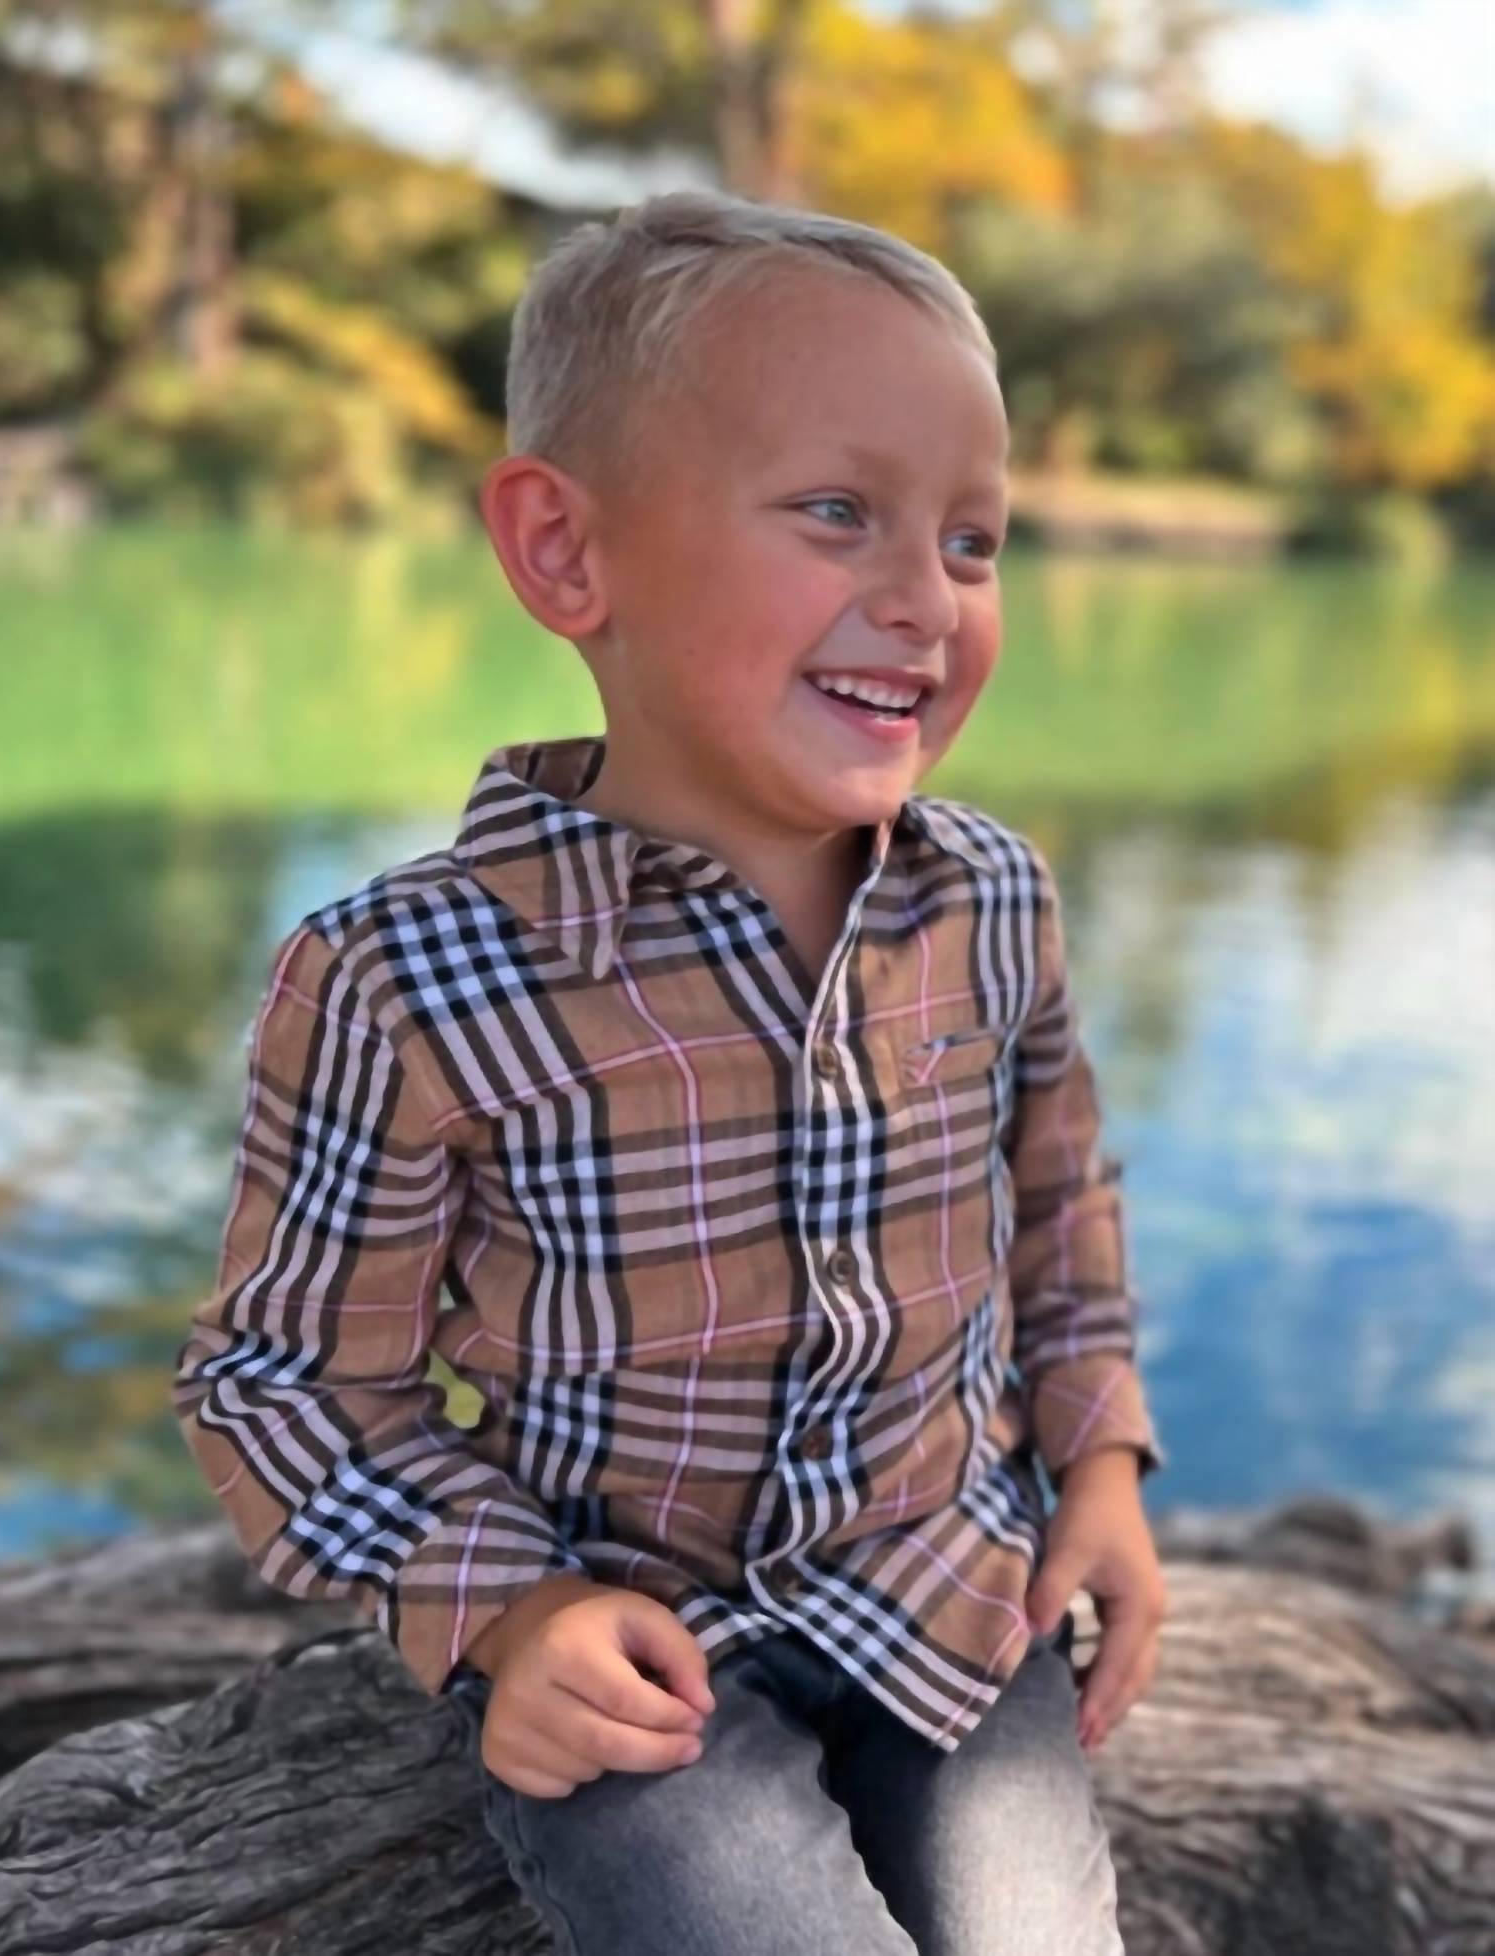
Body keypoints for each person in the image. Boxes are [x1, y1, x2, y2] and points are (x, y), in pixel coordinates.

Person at [172, 189, 1169, 1956]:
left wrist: (1098, 1468)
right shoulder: (406, 977)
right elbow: (287, 1381)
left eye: (972, 540)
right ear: (567, 551)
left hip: (946, 1586)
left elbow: (1057, 1205)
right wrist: (504, 1614)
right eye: (839, 512)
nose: (923, 601)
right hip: (639, 1657)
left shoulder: (991, 898)